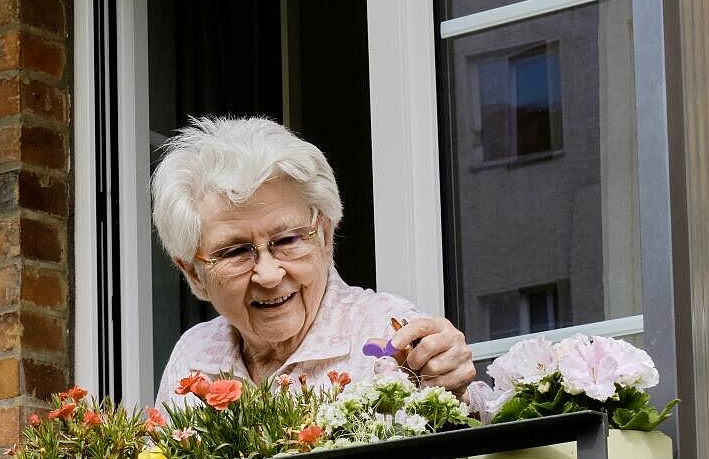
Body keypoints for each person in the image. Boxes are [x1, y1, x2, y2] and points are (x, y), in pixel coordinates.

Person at [152, 116, 474, 403]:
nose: (268, 274)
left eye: (287, 240)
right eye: (235, 251)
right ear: (194, 273)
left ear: (325, 235)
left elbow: (473, 437)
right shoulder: (192, 358)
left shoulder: (388, 332)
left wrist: (456, 393)